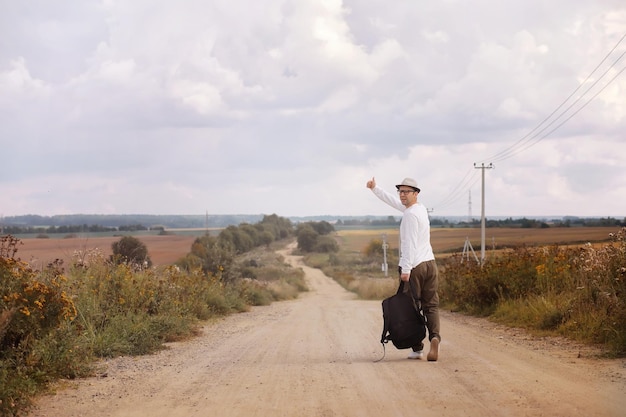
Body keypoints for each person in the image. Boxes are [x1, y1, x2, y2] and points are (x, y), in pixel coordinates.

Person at [366, 176, 441, 361]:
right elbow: (393, 201)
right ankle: (435, 338)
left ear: (416, 194)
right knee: (431, 304)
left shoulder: (409, 215)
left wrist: (406, 270)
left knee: (411, 307)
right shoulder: (420, 209)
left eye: (406, 192)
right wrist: (376, 189)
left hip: (414, 266)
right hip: (430, 264)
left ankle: (417, 349)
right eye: (400, 191)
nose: (402, 195)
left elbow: (409, 244)